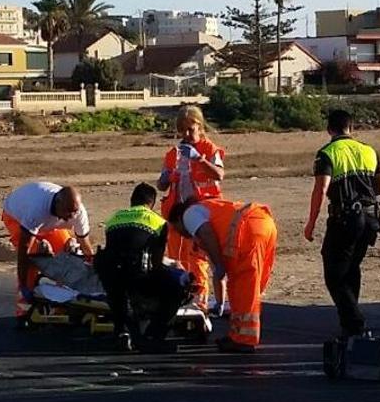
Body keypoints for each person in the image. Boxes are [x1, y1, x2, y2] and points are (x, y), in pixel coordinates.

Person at [304, 109, 380, 337]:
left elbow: (321, 189)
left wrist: (311, 224)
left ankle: (354, 321)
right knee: (351, 268)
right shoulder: (369, 151)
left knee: (334, 273)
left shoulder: (328, 153)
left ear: (329, 129)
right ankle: (349, 321)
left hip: (346, 218)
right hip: (370, 218)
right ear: (352, 128)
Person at [167, 198, 277, 353]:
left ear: (178, 219)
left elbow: (207, 233)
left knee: (244, 287)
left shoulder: (189, 215)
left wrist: (219, 263)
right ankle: (237, 335)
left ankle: (244, 340)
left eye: (177, 229)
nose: (181, 235)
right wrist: (219, 301)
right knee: (245, 285)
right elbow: (217, 273)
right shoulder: (209, 210)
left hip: (247, 231)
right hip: (263, 223)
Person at [95, 183, 181, 353]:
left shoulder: (114, 218)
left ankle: (121, 332)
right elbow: (156, 264)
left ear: (131, 201)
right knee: (176, 290)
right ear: (152, 203)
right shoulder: (158, 222)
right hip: (136, 275)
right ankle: (154, 336)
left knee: (118, 290)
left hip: (109, 275)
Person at [158, 105, 225, 314]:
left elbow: (219, 174)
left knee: (197, 260)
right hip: (177, 216)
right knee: (177, 260)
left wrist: (199, 159)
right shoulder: (173, 154)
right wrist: (166, 178)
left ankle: (200, 303)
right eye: (183, 130)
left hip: (200, 214)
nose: (187, 134)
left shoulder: (209, 149)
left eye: (191, 129)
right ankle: (181, 299)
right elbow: (161, 185)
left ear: (200, 126)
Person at [1, 182, 94, 327]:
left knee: (69, 254)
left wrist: (93, 271)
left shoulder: (77, 212)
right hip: (16, 217)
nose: (71, 217)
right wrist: (25, 284)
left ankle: (62, 305)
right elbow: (24, 252)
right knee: (36, 255)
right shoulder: (37, 209)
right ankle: (24, 310)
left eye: (74, 212)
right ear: (58, 204)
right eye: (68, 212)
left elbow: (86, 246)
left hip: (49, 224)